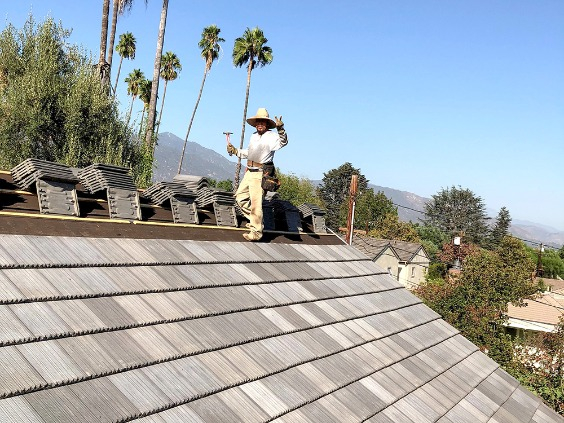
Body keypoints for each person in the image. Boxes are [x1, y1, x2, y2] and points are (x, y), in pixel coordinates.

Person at [227, 108, 288, 241]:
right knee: (240, 198)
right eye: (258, 122)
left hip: (260, 173)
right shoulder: (253, 136)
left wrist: (281, 129)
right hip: (249, 172)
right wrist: (236, 151)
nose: (260, 124)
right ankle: (256, 221)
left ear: (267, 124)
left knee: (256, 204)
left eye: (262, 122)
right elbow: (249, 153)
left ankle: (256, 232)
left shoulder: (272, 136)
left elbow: (283, 142)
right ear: (255, 124)